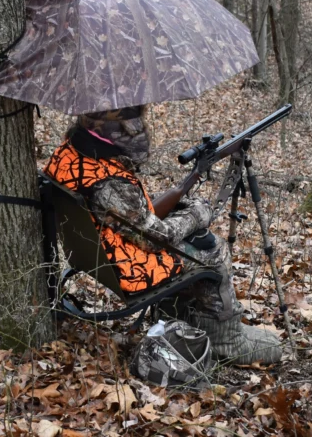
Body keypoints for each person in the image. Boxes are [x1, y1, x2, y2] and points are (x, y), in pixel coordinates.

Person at [44, 105, 282, 365]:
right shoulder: (110, 185)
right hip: (132, 269)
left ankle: (183, 320)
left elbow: (134, 214)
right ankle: (227, 341)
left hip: (103, 255)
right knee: (211, 248)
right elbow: (157, 238)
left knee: (195, 236)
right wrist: (197, 214)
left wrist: (180, 200)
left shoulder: (70, 154)